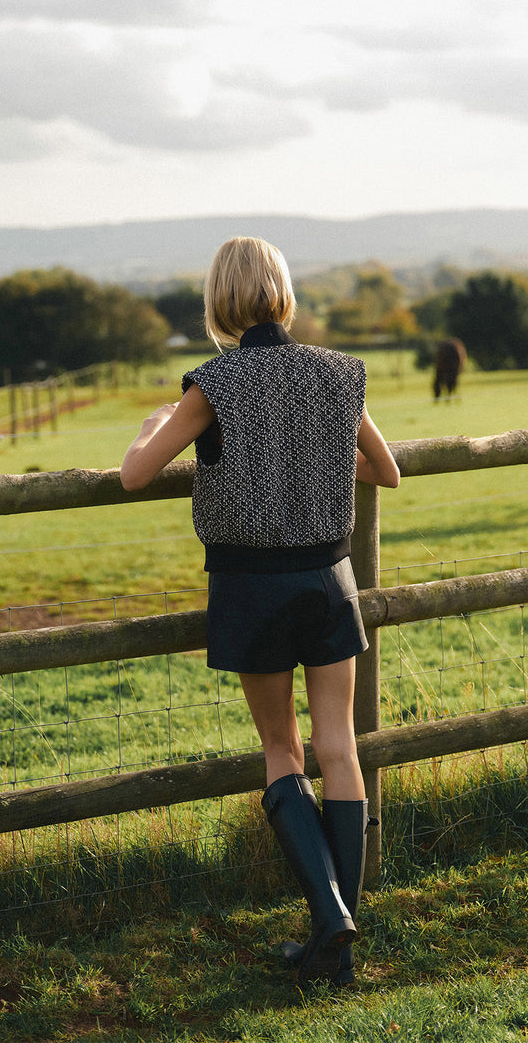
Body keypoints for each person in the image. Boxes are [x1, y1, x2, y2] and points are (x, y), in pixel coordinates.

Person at [120, 236, 400, 985]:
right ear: (284, 294)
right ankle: (338, 942)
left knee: (282, 748)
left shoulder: (212, 383)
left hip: (253, 587)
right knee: (339, 745)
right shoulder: (339, 374)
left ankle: (329, 917)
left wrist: (154, 424)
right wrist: (318, 453)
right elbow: (388, 470)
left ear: (220, 302)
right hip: (329, 578)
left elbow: (135, 472)